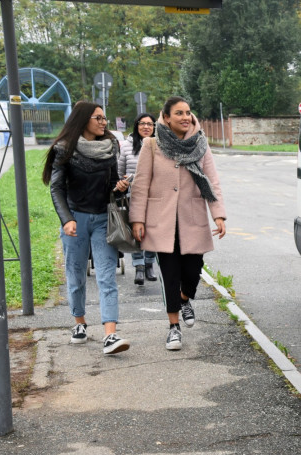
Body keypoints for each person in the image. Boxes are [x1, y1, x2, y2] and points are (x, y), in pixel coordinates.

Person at [129, 96, 226, 351]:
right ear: (167, 117)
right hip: (161, 222)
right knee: (170, 275)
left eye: (188, 112)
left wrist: (218, 215)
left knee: (193, 271)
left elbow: (212, 182)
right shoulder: (151, 145)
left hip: (192, 219)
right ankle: (174, 328)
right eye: (179, 113)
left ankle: (185, 299)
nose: (186, 117)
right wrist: (137, 219)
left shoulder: (201, 145)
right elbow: (140, 185)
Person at [42, 101, 131, 355]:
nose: (104, 122)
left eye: (105, 118)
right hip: (76, 220)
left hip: (104, 218)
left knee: (106, 275)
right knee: (76, 274)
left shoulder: (110, 147)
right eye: (98, 118)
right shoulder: (65, 149)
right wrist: (66, 218)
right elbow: (57, 188)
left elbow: (112, 182)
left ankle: (110, 335)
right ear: (83, 120)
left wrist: (119, 187)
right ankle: (79, 324)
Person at [118, 113, 158, 285]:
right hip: (132, 196)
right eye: (142, 124)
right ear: (136, 125)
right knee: (136, 233)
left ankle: (149, 264)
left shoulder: (160, 145)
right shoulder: (126, 146)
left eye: (150, 124)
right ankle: (139, 267)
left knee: (154, 233)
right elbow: (120, 172)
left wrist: (135, 176)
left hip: (155, 198)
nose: (146, 127)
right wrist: (124, 182)